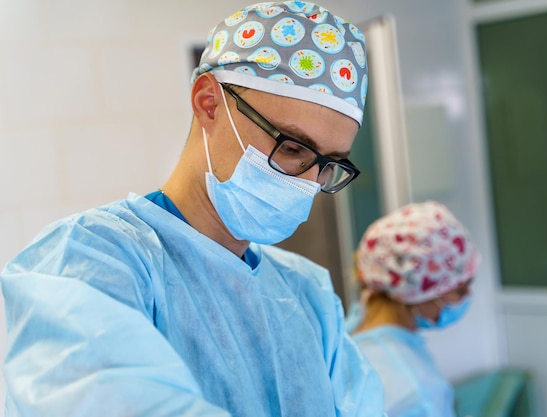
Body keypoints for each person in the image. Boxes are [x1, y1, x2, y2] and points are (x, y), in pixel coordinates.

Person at [0, 3, 385, 416]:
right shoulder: (88, 262)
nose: (308, 183)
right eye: (292, 147)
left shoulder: (307, 296)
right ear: (208, 103)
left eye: (330, 165)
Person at [345, 201, 481, 417]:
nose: (466, 298)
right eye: (460, 289)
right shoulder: (417, 395)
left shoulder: (350, 334)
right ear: (418, 289)